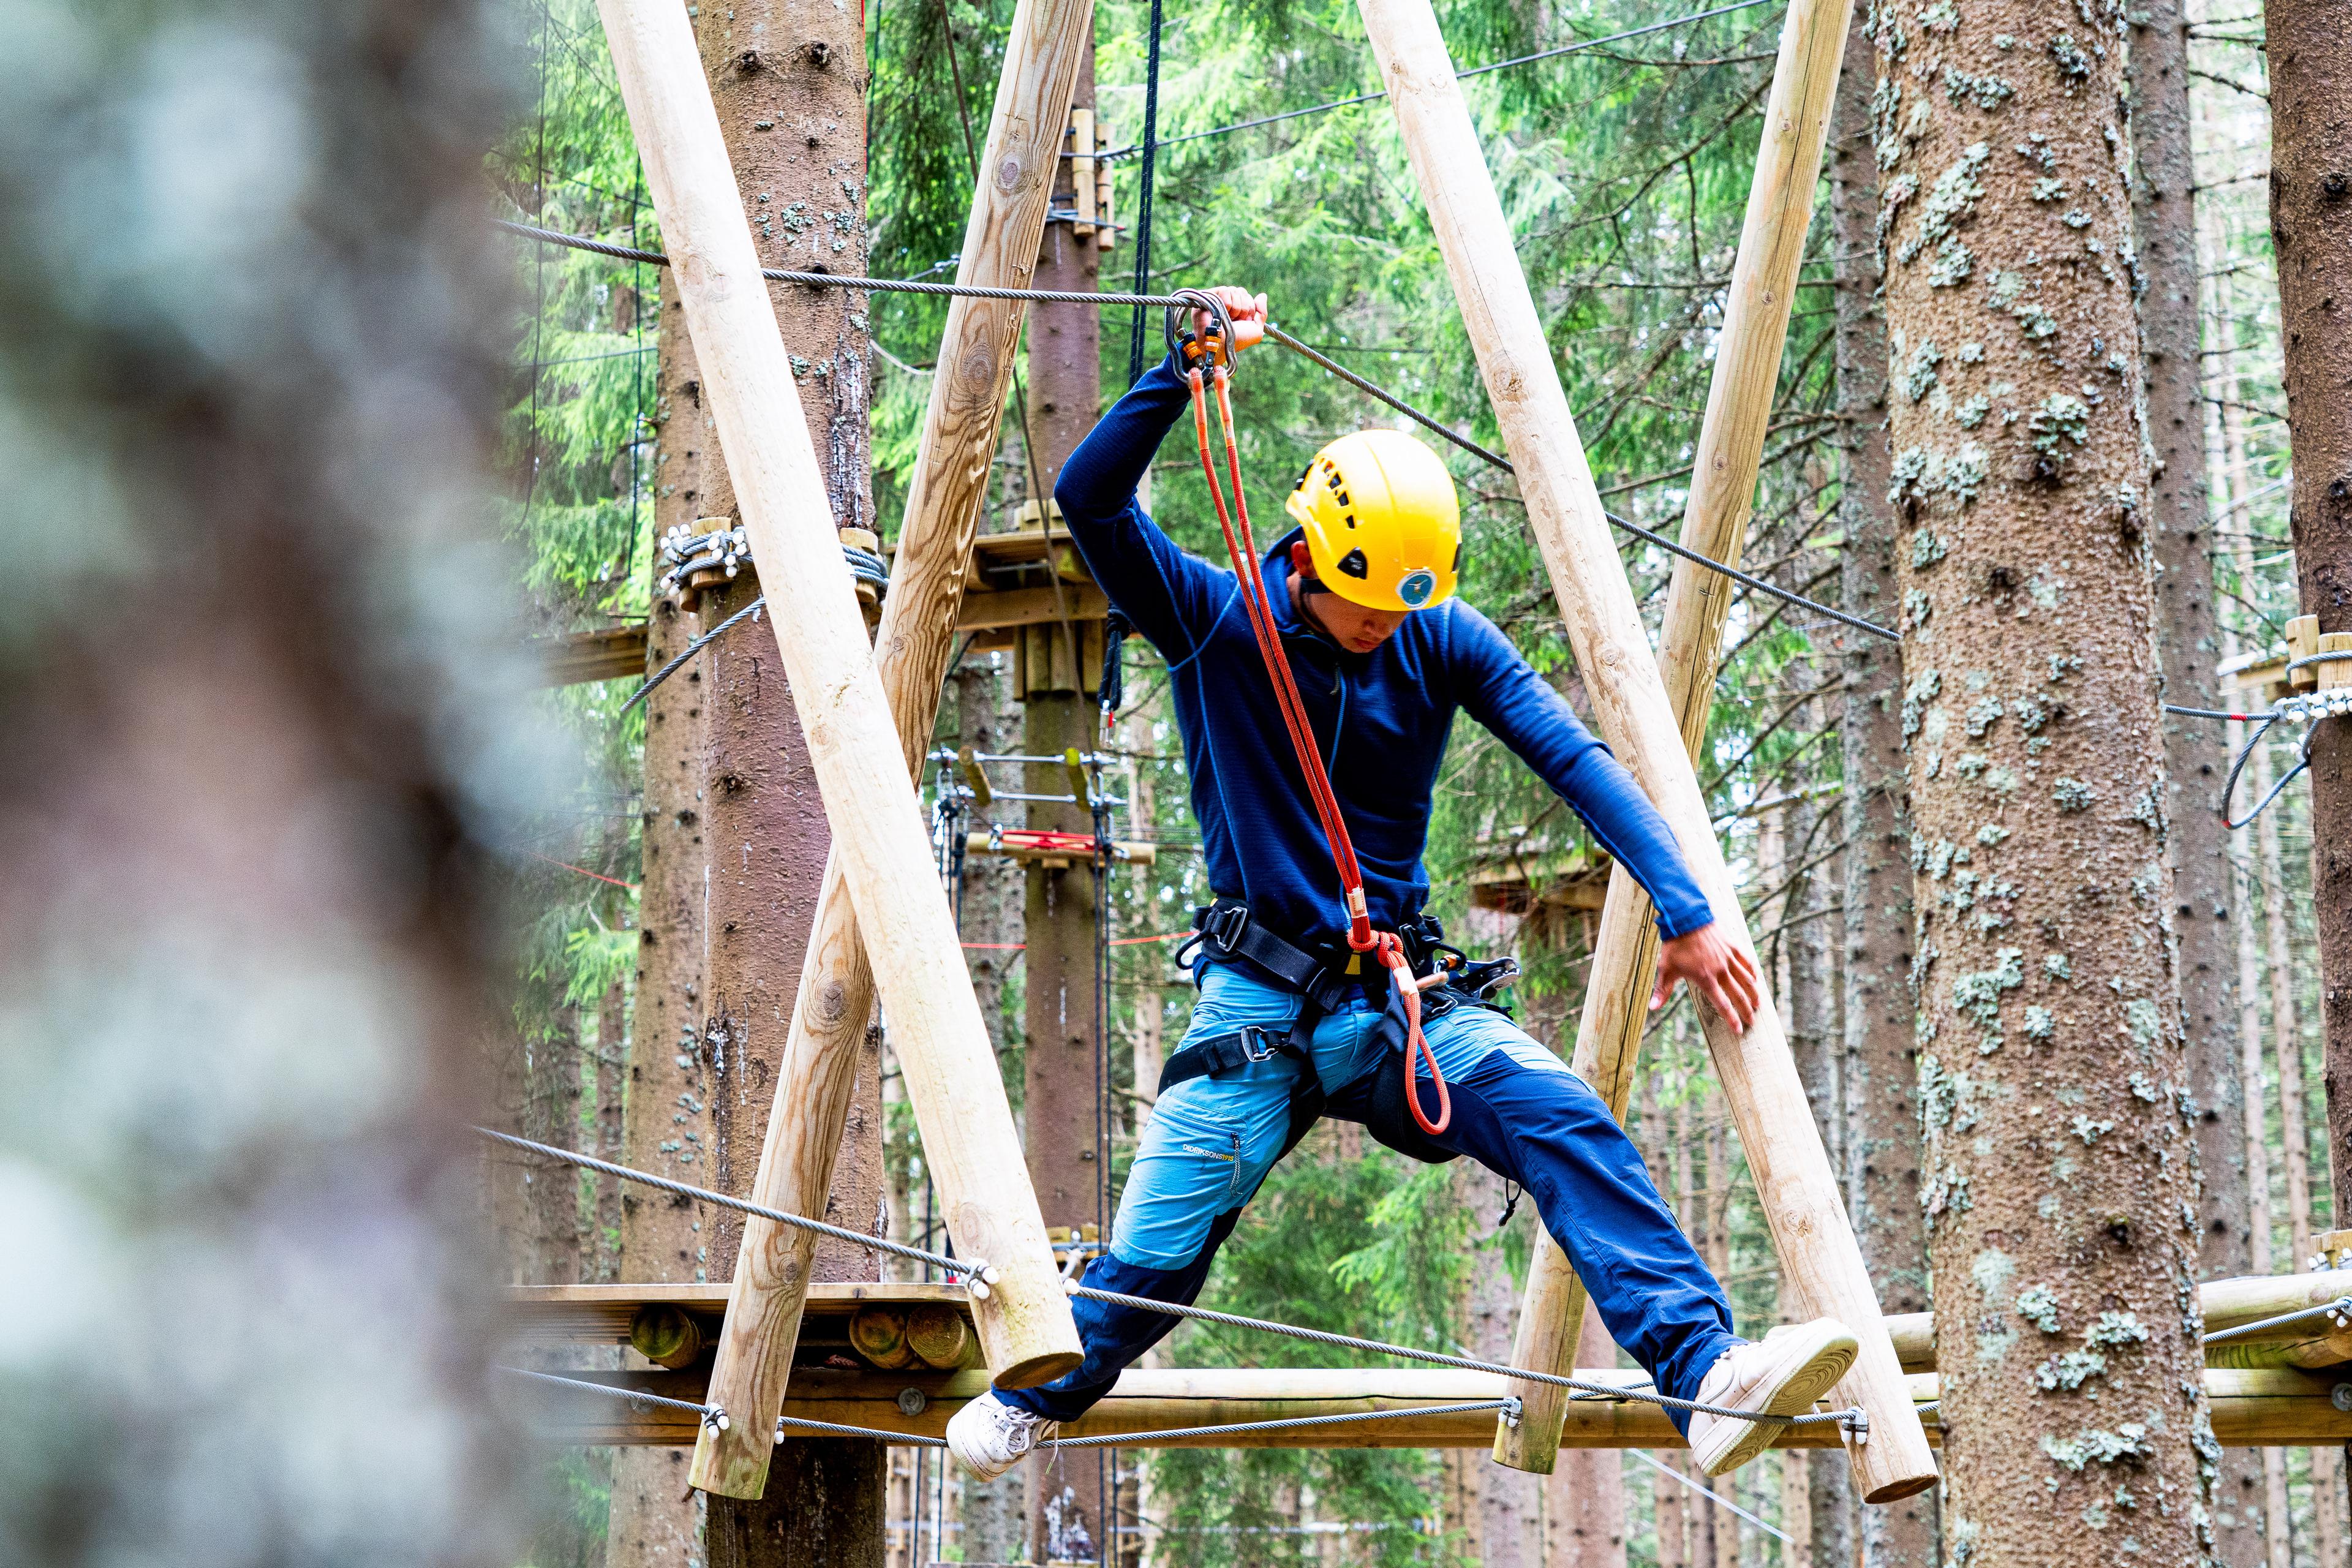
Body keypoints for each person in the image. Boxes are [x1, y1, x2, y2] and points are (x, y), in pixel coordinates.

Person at [946, 286, 1856, 1483]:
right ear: (1315, 553)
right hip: (1255, 1013)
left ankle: (1702, 1375)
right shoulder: (1219, 621)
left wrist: (1684, 912)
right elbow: (1092, 501)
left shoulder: (1439, 632)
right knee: (1154, 1262)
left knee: (1563, 1117)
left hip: (1400, 1008)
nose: (1384, 624)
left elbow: (1572, 755)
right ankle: (1044, 1397)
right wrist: (1179, 372)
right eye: (1365, 598)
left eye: (1405, 601)